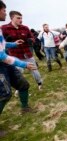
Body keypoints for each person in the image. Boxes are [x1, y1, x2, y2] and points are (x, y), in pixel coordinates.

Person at [0, 0, 36, 136]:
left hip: (6, 63)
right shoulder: (3, 28)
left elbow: (2, 45)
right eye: (3, 10)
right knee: (4, 94)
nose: (5, 12)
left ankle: (25, 108)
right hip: (2, 64)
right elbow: (2, 56)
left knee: (23, 85)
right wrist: (23, 64)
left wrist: (13, 44)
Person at [1, 11, 43, 90]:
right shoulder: (4, 28)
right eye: (18, 18)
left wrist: (30, 40)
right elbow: (2, 42)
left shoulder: (25, 27)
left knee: (34, 69)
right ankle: (19, 88)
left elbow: (32, 38)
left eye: (21, 18)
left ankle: (39, 83)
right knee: (18, 72)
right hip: (15, 55)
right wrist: (7, 41)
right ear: (12, 18)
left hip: (27, 53)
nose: (21, 20)